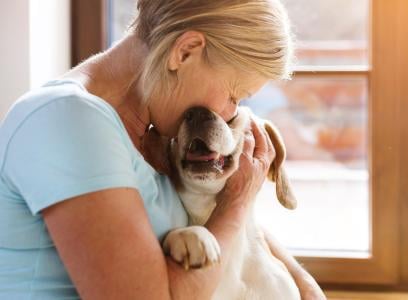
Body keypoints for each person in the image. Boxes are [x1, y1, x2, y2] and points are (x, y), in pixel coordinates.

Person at [0, 0, 325, 299]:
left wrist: (304, 283)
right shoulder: (70, 120)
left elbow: (226, 227)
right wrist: (236, 203)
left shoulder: (153, 134)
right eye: (234, 96)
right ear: (185, 52)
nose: (228, 115)